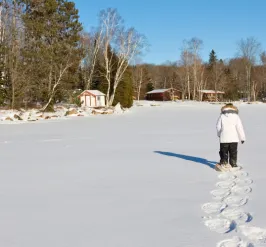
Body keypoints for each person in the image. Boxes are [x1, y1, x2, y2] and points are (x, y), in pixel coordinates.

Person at [216, 103, 246, 168]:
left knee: (224, 152)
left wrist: (219, 134)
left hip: (224, 138)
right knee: (233, 152)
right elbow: (240, 127)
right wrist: (242, 138)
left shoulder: (222, 116)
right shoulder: (236, 116)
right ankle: (233, 164)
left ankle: (224, 163)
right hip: (234, 138)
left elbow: (218, 126)